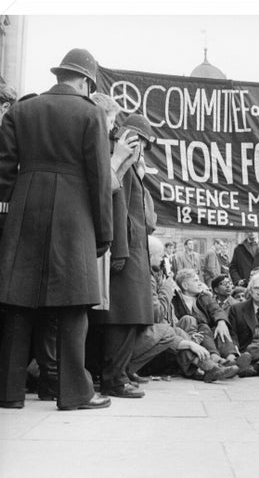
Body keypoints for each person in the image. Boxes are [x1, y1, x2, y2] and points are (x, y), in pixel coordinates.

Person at [0, 48, 112, 410]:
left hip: (25, 210)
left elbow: (2, 174)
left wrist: (11, 213)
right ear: (85, 81)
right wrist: (103, 231)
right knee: (72, 307)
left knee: (18, 303)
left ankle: (8, 392)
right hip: (73, 215)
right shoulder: (91, 113)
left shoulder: (21, 110)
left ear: (60, 75)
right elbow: (98, 177)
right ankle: (74, 393)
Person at [129, 237, 239, 383]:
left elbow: (215, 309)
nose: (164, 260)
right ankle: (207, 367)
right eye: (162, 256)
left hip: (199, 335)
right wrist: (189, 342)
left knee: (194, 327)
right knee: (178, 327)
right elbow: (159, 315)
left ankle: (214, 364)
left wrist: (220, 322)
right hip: (151, 342)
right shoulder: (161, 286)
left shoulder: (203, 296)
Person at [98, 114, 154, 399]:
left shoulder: (130, 168)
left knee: (128, 317)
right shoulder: (121, 165)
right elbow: (117, 209)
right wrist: (119, 250)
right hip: (126, 252)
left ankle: (118, 375)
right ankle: (114, 379)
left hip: (131, 251)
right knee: (122, 317)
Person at [172, 269, 238, 365]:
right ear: (185, 285)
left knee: (219, 329)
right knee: (204, 327)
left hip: (208, 334)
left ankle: (231, 358)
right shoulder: (175, 301)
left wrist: (221, 322)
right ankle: (215, 358)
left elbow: (217, 310)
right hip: (189, 334)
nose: (200, 283)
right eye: (195, 280)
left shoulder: (205, 297)